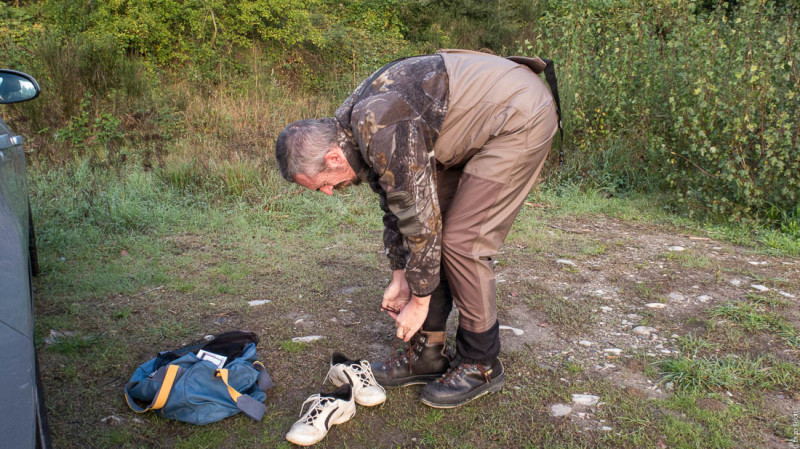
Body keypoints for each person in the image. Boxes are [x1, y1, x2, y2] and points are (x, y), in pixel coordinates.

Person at [275, 49, 559, 408]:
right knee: (431, 224)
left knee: (463, 241)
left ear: (332, 157)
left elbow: (419, 219)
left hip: (517, 116)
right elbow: (398, 205)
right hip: (471, 127)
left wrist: (419, 300)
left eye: (322, 184)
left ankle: (481, 362)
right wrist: (400, 274)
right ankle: (428, 353)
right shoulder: (350, 129)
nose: (329, 192)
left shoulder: (378, 124)